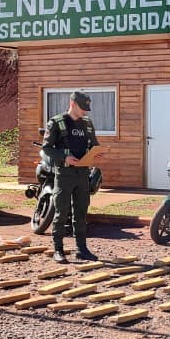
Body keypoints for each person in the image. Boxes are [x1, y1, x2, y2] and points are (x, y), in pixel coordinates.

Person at [42, 91, 103, 263]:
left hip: (83, 173)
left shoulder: (87, 124)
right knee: (61, 212)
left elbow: (94, 145)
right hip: (64, 174)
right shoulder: (56, 122)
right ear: (73, 104)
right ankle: (58, 250)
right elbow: (47, 148)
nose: (85, 112)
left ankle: (81, 249)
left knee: (81, 212)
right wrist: (64, 157)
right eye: (83, 108)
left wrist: (97, 154)